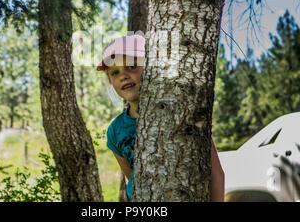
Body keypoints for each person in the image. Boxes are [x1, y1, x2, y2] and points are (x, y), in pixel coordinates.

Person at [96, 34, 225, 201]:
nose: (123, 76)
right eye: (114, 72)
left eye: (131, 66)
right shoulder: (116, 130)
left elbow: (215, 173)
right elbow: (132, 179)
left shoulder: (180, 110)